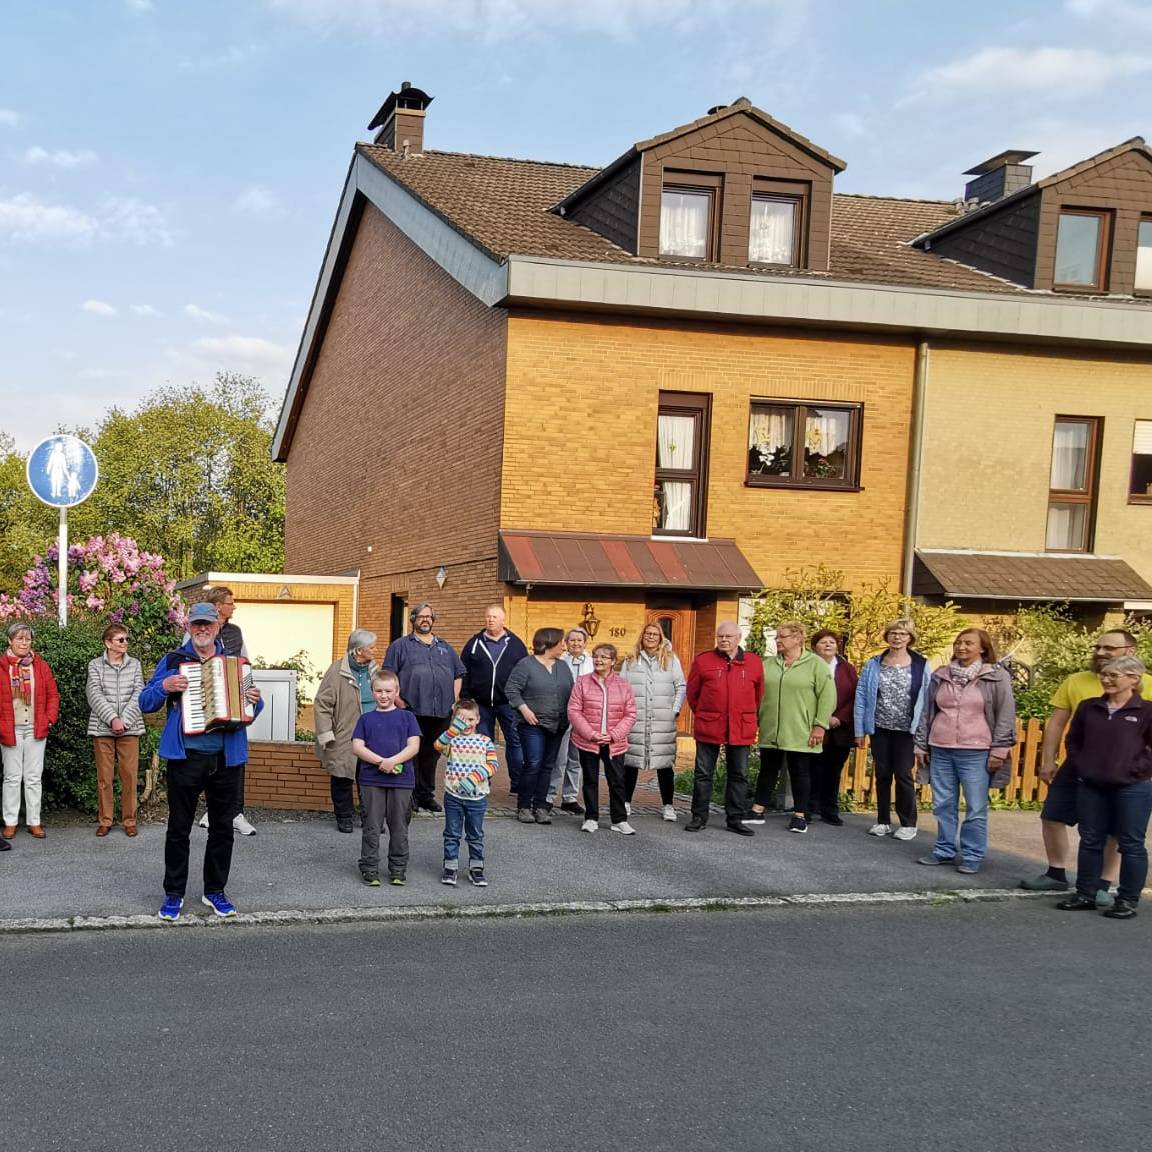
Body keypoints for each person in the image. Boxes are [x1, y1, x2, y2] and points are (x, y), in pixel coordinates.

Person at [142, 602, 263, 920]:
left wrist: (255, 701)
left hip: (226, 759)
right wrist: (164, 686)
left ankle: (215, 891)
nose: (202, 629)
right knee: (178, 829)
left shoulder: (235, 663)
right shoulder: (174, 660)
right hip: (186, 758)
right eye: (196, 624)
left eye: (207, 624)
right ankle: (173, 894)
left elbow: (253, 709)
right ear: (189, 626)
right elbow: (146, 700)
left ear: (218, 627)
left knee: (222, 829)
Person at [1021, 630, 1152, 897]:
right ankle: (1056, 873)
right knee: (1053, 816)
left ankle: (1103, 883)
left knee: (1116, 831)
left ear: (1129, 651)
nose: (1101, 652)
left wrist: (1139, 769)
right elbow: (1059, 725)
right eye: (1098, 647)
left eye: (1109, 648)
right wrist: (1048, 761)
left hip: (1127, 771)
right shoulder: (1076, 682)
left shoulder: (1147, 684)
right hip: (1081, 766)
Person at [1056, 656, 1152, 920]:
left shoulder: (1147, 711)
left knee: (1131, 844)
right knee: (1090, 841)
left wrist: (1135, 770)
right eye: (1104, 674)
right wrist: (1082, 766)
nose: (1106, 679)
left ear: (1134, 679)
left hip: (1133, 788)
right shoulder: (1089, 708)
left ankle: (1127, 900)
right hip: (1091, 785)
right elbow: (1073, 741)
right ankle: (1085, 894)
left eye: (1113, 675)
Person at [915, 628, 1016, 874]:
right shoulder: (941, 675)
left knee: (976, 806)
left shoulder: (996, 676)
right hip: (941, 748)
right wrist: (920, 743)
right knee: (943, 803)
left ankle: (972, 855)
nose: (961, 647)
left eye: (968, 643)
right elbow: (928, 711)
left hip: (976, 750)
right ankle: (944, 850)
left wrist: (1000, 749)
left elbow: (1005, 714)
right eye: (958, 642)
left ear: (982, 648)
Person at [745, 621, 834, 833]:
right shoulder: (768, 664)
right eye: (777, 637)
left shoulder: (816, 664)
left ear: (797, 639)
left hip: (801, 729)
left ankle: (800, 815)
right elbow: (756, 692)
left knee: (800, 771)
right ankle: (757, 810)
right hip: (771, 727)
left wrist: (820, 725)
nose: (777, 641)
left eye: (782, 637)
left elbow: (828, 696)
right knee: (767, 769)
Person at [383, 602, 464, 813]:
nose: (425, 620)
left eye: (429, 617)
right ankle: (409, 796)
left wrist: (454, 699)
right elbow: (388, 676)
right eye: (421, 616)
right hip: (412, 711)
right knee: (412, 754)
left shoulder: (445, 647)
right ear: (413, 620)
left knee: (432, 754)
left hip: (441, 712)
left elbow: (458, 674)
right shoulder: (400, 646)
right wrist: (399, 702)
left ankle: (426, 795)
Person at [685, 622, 764, 836]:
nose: (724, 640)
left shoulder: (754, 662)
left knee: (739, 774)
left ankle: (735, 819)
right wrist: (707, 713)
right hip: (710, 725)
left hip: (741, 726)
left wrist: (744, 714)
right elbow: (693, 695)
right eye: (720, 636)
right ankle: (699, 817)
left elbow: (758, 696)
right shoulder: (703, 661)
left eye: (728, 636)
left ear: (739, 637)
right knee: (703, 774)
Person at [853, 618, 929, 841]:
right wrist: (860, 730)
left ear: (910, 638)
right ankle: (883, 821)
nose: (897, 637)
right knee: (882, 774)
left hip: (907, 730)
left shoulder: (921, 665)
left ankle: (908, 823)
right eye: (893, 633)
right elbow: (861, 697)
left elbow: (927, 699)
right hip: (880, 727)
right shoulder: (874, 663)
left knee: (904, 774)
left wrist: (923, 732)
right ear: (887, 636)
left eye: (902, 634)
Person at [192, 587, 257, 836]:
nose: (234, 607)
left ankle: (236, 813)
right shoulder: (196, 633)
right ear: (219, 606)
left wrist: (250, 695)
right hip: (206, 701)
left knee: (235, 758)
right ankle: (212, 809)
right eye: (231, 602)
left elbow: (246, 663)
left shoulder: (235, 632)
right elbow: (185, 661)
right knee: (209, 759)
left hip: (234, 699)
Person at [350, 669, 422, 887]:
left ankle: (398, 869)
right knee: (371, 826)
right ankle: (370, 868)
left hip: (402, 781)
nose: (383, 695)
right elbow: (357, 747)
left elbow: (414, 746)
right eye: (379, 691)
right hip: (371, 780)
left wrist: (393, 761)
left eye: (388, 691)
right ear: (372, 692)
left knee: (399, 826)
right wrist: (381, 762)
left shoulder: (407, 717)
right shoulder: (366, 719)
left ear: (396, 691)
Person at [504, 628, 574, 824]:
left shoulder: (563, 666)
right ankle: (524, 807)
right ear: (549, 642)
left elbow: (572, 691)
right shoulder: (526, 665)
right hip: (531, 723)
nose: (564, 645)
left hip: (558, 724)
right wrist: (524, 710)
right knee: (533, 763)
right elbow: (511, 689)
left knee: (548, 766)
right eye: (561, 642)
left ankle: (541, 807)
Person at [568, 643, 638, 834]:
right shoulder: (582, 682)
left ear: (613, 661)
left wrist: (614, 735)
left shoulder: (624, 685)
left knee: (617, 780)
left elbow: (630, 714)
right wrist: (591, 734)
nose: (599, 660)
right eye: (596, 656)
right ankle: (591, 817)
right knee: (590, 779)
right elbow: (574, 711)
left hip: (615, 743)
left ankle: (619, 819)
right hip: (589, 741)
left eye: (604, 657)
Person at [314, 629, 379, 833]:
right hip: (345, 733)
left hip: (371, 733)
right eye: (372, 647)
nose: (376, 650)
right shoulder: (336, 671)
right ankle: (344, 816)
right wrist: (326, 734)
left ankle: (370, 817)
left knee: (369, 778)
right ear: (359, 650)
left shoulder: (375, 670)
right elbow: (322, 704)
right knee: (342, 776)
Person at [621, 623, 686, 823]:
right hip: (636, 720)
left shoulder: (670, 659)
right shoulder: (631, 661)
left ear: (660, 637)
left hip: (662, 721)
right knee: (630, 763)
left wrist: (674, 709)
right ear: (642, 636)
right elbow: (622, 688)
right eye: (647, 634)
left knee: (664, 765)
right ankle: (625, 802)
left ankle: (668, 805)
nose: (650, 637)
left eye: (655, 634)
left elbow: (681, 686)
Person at [1, 622, 60, 840]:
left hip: (35, 728)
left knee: (34, 777)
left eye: (27, 639)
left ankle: (34, 822)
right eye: (19, 638)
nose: (24, 643)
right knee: (12, 777)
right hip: (10, 729)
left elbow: (53, 695)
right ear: (10, 641)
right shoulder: (2, 666)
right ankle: (10, 822)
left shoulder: (40, 666)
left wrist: (49, 719)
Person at [86, 623, 145, 837]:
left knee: (129, 776)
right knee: (105, 778)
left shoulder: (135, 665)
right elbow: (94, 694)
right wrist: (112, 719)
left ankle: (129, 820)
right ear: (108, 643)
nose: (125, 643)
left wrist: (124, 720)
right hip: (102, 729)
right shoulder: (95, 665)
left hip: (130, 728)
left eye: (127, 639)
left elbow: (140, 693)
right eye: (121, 640)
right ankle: (105, 820)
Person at [459, 605, 527, 793]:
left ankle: (518, 783)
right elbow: (463, 671)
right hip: (480, 704)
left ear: (503, 620)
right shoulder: (474, 643)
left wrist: (521, 700)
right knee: (482, 744)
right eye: (488, 617)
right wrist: (465, 698)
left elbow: (524, 673)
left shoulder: (515, 644)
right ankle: (483, 779)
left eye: (495, 617)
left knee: (515, 742)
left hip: (508, 704)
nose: (491, 620)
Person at [435, 697, 498, 887]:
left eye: (470, 719)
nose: (467, 724)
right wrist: (452, 731)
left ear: (478, 719)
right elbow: (437, 746)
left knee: (475, 834)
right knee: (452, 833)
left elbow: (493, 765)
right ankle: (450, 866)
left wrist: (476, 777)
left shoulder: (485, 741)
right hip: (453, 796)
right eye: (462, 720)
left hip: (477, 798)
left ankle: (476, 868)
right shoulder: (452, 741)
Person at [808, 629, 858, 827]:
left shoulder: (848, 669)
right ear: (814, 647)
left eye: (832, 642)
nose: (828, 645)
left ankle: (830, 809)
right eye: (823, 642)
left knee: (834, 770)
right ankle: (809, 808)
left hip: (840, 729)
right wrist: (822, 718)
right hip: (814, 726)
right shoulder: (808, 666)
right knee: (813, 769)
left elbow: (855, 695)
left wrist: (839, 717)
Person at [549, 628, 597, 815]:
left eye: (579, 640)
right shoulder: (560, 662)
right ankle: (549, 795)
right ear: (566, 643)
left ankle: (570, 797)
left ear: (585, 643)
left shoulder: (593, 663)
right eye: (572, 640)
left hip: (584, 718)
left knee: (576, 759)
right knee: (559, 759)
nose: (576, 644)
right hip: (563, 714)